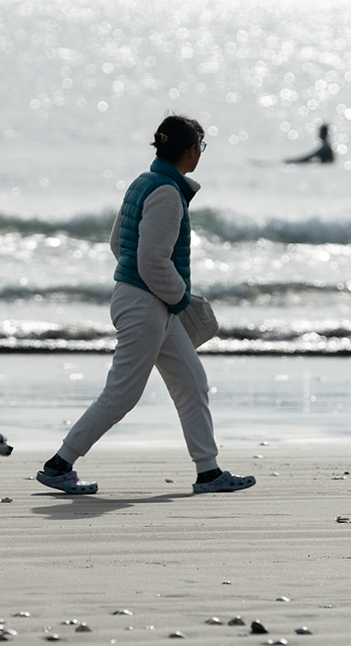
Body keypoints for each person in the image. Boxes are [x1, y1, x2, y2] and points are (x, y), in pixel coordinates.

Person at [35, 114, 256, 496]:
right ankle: (59, 465)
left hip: (146, 302)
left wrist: (165, 297)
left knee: (192, 383)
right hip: (147, 304)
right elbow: (152, 261)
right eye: (200, 148)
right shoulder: (168, 193)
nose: (200, 154)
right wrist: (180, 297)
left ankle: (209, 472)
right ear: (190, 150)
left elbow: (119, 244)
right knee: (122, 394)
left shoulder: (144, 182)